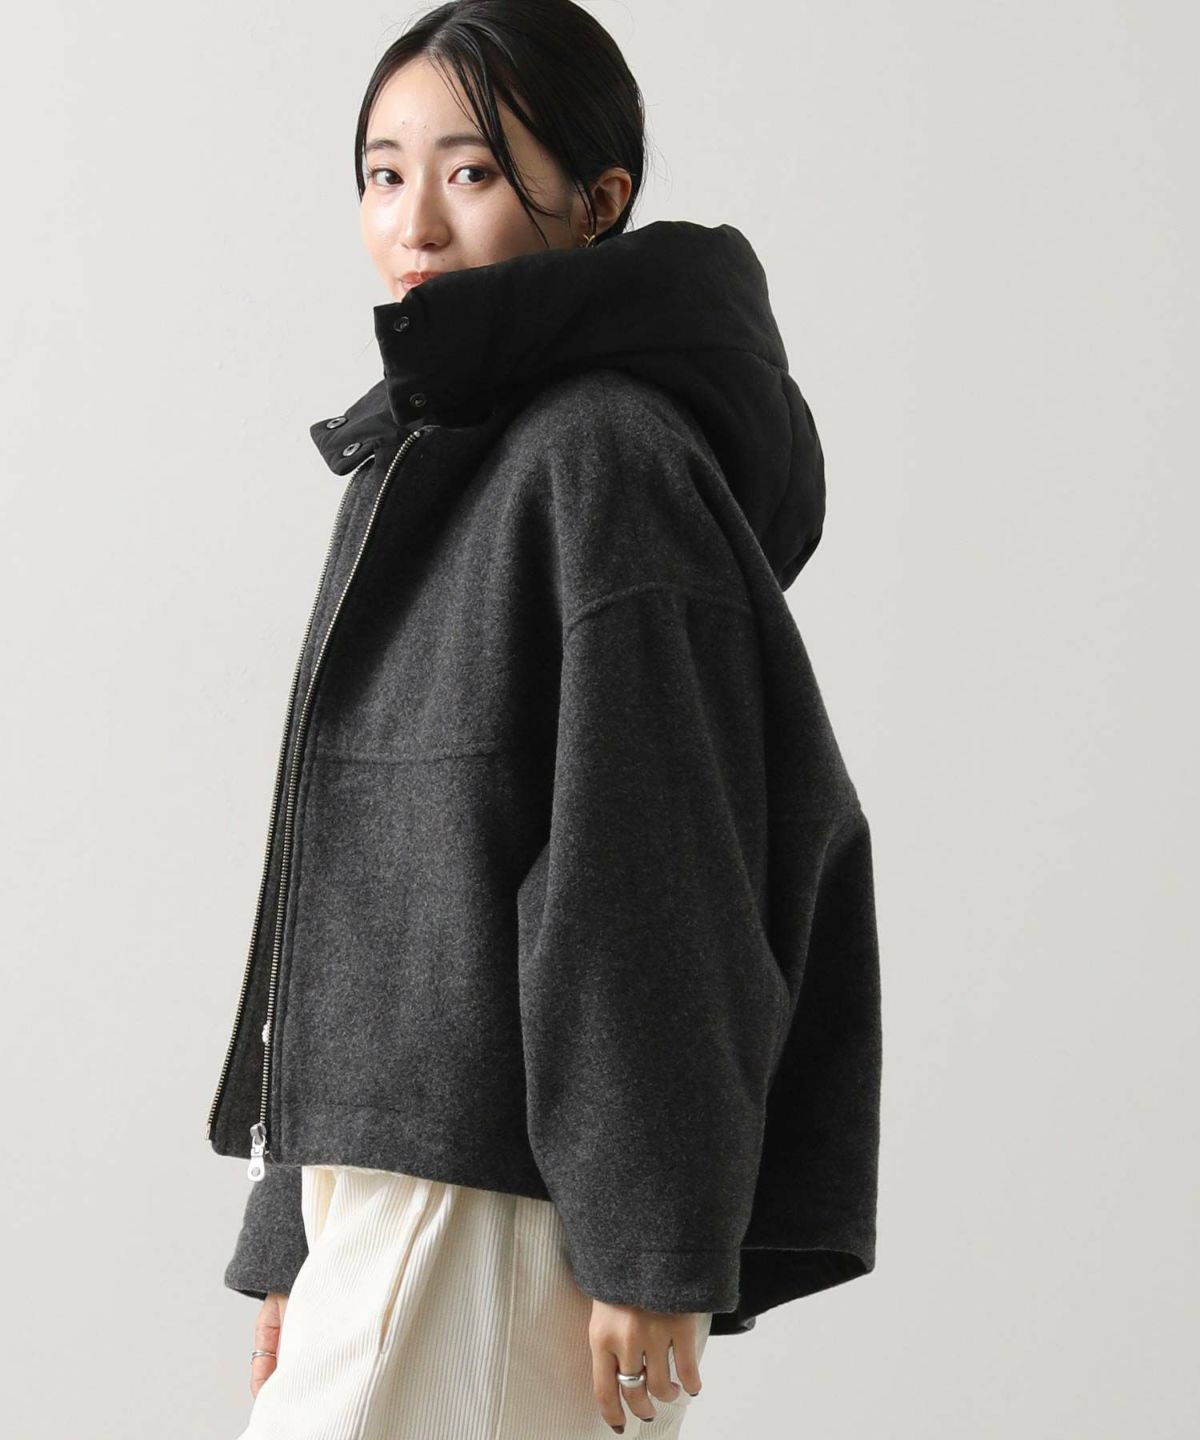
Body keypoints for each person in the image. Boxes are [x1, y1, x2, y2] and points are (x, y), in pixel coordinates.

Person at [207, 2, 883, 1436]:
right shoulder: (432, 454)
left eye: (469, 171)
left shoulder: (598, 458)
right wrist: (295, 1232)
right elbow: (356, 879)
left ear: (597, 200)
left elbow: (653, 878)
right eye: (383, 174)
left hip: (496, 1209)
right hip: (394, 1192)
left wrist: (651, 1240)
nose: (415, 223)